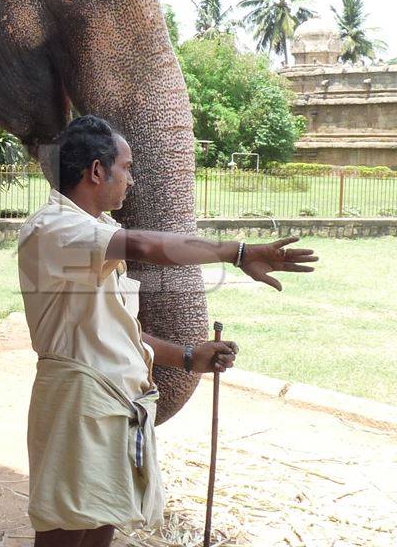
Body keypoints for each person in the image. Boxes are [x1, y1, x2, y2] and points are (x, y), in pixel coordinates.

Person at [18, 115, 318, 547]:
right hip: (79, 406)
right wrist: (236, 252)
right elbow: (143, 245)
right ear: (96, 171)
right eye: (126, 167)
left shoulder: (93, 233)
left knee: (102, 521)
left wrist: (190, 356)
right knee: (67, 528)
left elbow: (116, 333)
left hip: (112, 404)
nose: (132, 180)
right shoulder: (57, 229)